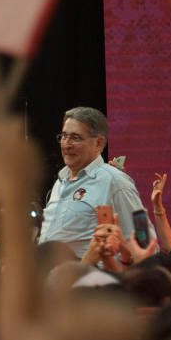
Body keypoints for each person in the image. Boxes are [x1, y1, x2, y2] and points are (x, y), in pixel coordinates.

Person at [39, 106, 155, 258]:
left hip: (94, 278)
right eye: (64, 136)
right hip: (53, 279)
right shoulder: (60, 182)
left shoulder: (115, 181)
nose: (66, 144)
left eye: (75, 137)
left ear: (99, 143)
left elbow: (145, 241)